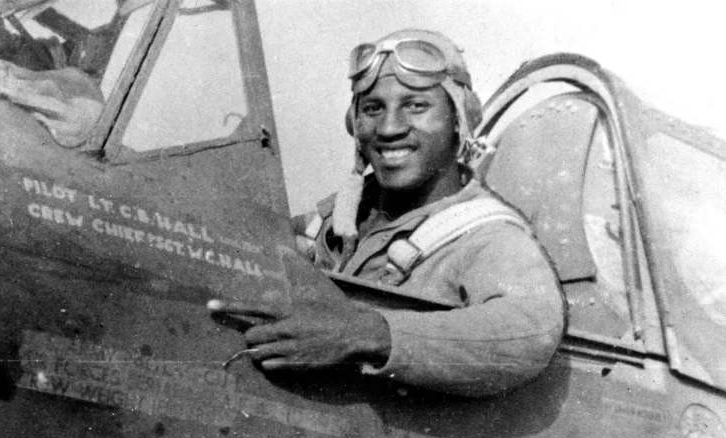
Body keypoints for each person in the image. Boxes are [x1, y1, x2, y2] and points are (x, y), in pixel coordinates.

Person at [209, 29, 565, 397]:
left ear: (460, 119)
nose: (389, 128)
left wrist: (368, 335)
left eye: (416, 106)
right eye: (372, 108)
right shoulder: (336, 218)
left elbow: (532, 328)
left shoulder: (488, 237)